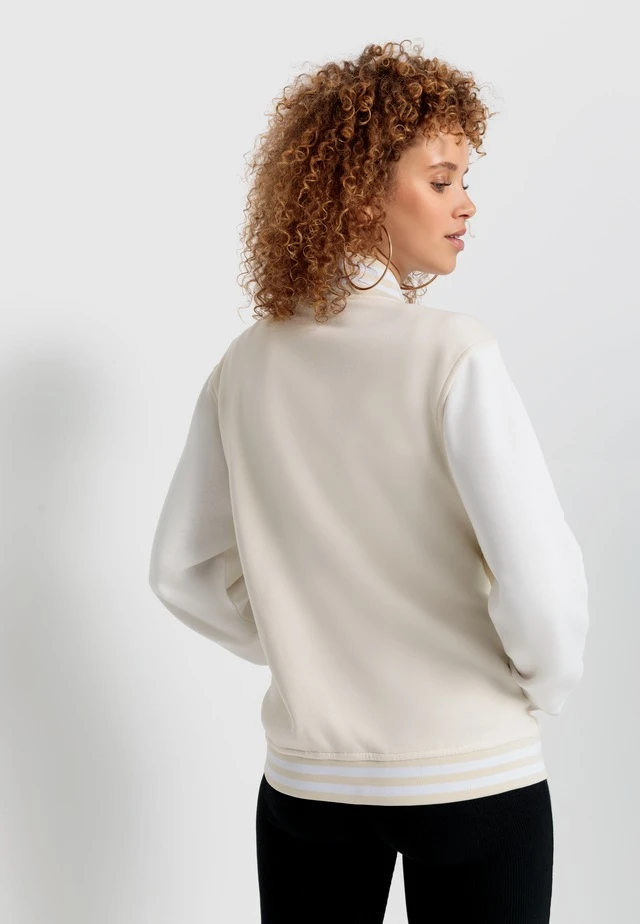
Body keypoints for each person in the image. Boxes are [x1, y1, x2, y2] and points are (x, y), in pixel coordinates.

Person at [148, 39, 589, 923]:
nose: (467, 203)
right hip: (471, 776)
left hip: (309, 787)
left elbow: (183, 572)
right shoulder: (454, 353)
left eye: (464, 180)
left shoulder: (246, 363)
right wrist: (537, 690)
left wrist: (309, 652)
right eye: (441, 179)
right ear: (360, 195)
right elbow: (541, 586)